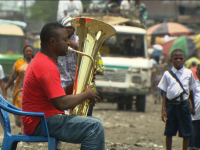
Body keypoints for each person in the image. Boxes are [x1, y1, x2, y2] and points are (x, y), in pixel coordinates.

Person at [22, 22, 105, 150]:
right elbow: (61, 103)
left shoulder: (42, 61)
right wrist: (87, 94)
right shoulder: (46, 66)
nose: (68, 42)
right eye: (65, 39)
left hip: (41, 120)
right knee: (94, 127)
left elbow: (60, 93)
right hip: (41, 123)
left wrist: (82, 79)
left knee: (93, 124)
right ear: (52, 41)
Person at [57, 16, 104, 116]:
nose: (69, 29)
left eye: (71, 27)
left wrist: (75, 45)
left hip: (77, 79)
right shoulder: (58, 40)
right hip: (61, 79)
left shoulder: (79, 40)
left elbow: (87, 56)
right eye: (66, 27)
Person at [158, 49, 196, 150]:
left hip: (184, 105)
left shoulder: (188, 73)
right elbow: (164, 92)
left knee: (186, 132)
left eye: (181, 58)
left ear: (185, 60)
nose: (178, 60)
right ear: (171, 60)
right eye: (175, 58)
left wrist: (193, 106)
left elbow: (191, 91)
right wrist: (163, 110)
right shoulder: (167, 74)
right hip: (171, 105)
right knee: (169, 131)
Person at [5, 45, 34, 135]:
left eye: (30, 51)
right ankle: (23, 130)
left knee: (28, 111)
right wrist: (5, 88)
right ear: (24, 53)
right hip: (19, 91)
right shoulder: (18, 63)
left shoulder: (36, 63)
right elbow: (13, 77)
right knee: (19, 112)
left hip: (32, 92)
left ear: (32, 53)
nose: (28, 53)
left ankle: (24, 132)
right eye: (27, 51)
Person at [189, 64, 200, 150]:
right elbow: (190, 96)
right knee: (194, 137)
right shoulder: (194, 84)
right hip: (195, 116)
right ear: (197, 73)